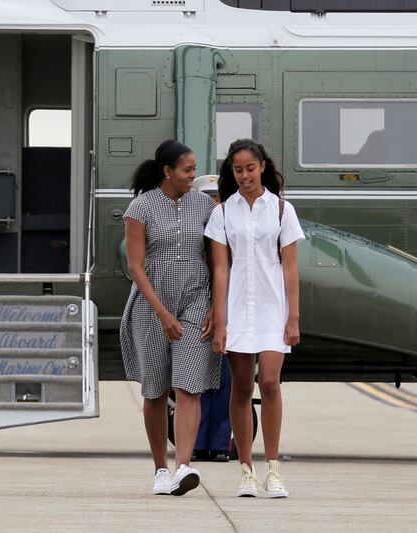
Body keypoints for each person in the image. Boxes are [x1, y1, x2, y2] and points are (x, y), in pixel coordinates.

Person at [120, 140, 221, 496]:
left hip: (196, 298)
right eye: (188, 170)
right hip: (152, 302)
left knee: (189, 384)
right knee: (156, 389)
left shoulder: (206, 207)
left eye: (194, 169)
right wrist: (161, 312)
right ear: (168, 171)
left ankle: (184, 467)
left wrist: (215, 306)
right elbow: (135, 265)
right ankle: (160, 470)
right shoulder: (141, 207)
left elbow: (216, 260)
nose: (194, 176)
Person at [205, 139, 305, 498]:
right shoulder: (222, 212)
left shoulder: (281, 210)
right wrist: (220, 320)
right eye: (237, 169)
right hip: (236, 307)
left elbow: (290, 268)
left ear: (262, 165)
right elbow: (220, 269)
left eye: (250, 167)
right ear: (231, 172)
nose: (244, 175)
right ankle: (246, 470)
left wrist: (292, 317)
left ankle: (273, 469)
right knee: (242, 388)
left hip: (272, 307)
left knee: (271, 384)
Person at [190, 175, 233, 463]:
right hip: (195, 311)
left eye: (218, 197)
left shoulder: (232, 232)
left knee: (225, 382)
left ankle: (220, 443)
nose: (213, 203)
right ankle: (195, 441)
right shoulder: (192, 236)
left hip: (227, 313)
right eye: (208, 198)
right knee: (196, 380)